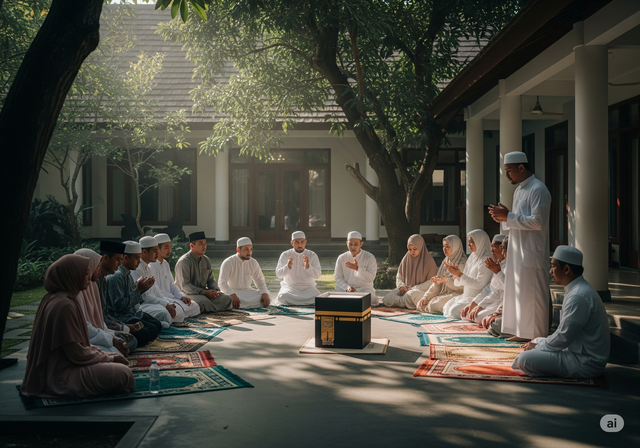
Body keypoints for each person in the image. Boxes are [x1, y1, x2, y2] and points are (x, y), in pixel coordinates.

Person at [21, 255, 134, 398]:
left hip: (64, 365)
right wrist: (108, 358)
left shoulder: (60, 299)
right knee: (124, 374)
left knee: (118, 363)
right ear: (72, 276)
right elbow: (76, 352)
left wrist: (107, 355)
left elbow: (79, 345)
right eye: (85, 273)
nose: (88, 277)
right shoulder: (64, 305)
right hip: (62, 374)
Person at [512, 246, 610, 378]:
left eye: (553, 266)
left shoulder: (578, 296)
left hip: (585, 362)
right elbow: (564, 335)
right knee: (537, 340)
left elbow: (563, 337)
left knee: (524, 359)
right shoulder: (578, 289)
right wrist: (538, 344)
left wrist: (536, 348)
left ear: (566, 269)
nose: (550, 271)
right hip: (577, 351)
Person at [489, 151, 551, 342]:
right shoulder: (519, 191)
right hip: (518, 252)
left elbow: (538, 222)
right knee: (521, 295)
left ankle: (537, 336)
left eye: (509, 171)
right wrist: (504, 218)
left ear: (521, 167)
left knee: (534, 296)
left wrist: (508, 216)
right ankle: (523, 333)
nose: (507, 175)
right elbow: (516, 221)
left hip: (532, 253)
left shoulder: (538, 189)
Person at [75, 248, 136, 356]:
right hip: (84, 340)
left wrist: (113, 334)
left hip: (102, 332)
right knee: (118, 351)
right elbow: (84, 328)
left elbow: (100, 316)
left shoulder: (94, 285)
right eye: (97, 266)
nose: (99, 269)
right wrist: (114, 337)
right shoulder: (75, 294)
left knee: (129, 341)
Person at [97, 241, 157, 346]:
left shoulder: (127, 274)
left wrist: (141, 290)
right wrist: (138, 290)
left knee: (156, 326)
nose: (139, 262)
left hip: (130, 314)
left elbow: (133, 301)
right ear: (126, 258)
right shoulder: (116, 276)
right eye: (137, 258)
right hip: (121, 317)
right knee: (145, 334)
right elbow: (118, 306)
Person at [174, 231, 233, 313]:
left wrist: (215, 291)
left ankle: (209, 310)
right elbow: (185, 286)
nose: (204, 246)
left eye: (205, 244)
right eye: (201, 244)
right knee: (203, 302)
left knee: (227, 299)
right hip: (187, 294)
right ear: (192, 245)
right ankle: (213, 310)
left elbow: (211, 280)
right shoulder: (184, 261)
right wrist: (204, 292)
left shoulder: (206, 260)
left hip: (204, 293)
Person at [442, 229, 493, 319]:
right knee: (446, 307)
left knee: (453, 311)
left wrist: (460, 275)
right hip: (466, 296)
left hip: (477, 298)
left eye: (472, 242)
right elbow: (460, 281)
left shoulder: (486, 260)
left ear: (480, 242)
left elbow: (480, 284)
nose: (469, 244)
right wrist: (456, 275)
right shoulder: (472, 258)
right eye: (468, 242)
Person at [151, 233, 200, 318]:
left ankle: (178, 315)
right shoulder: (151, 266)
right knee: (177, 309)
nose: (169, 250)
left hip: (171, 298)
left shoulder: (165, 264)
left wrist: (182, 297)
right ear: (157, 249)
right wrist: (168, 302)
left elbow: (172, 285)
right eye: (166, 248)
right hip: (162, 301)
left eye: (170, 247)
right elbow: (155, 292)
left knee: (194, 306)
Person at [461, 235, 507, 324]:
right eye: (491, 246)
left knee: (477, 317)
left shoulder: (509, 266)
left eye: (494, 246)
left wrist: (481, 305)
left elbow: (501, 291)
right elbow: (490, 287)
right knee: (466, 314)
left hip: (501, 303)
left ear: (502, 248)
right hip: (492, 301)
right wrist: (474, 302)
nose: (491, 250)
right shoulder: (497, 264)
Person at [383, 234, 438, 308]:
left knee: (412, 295)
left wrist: (413, 288)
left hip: (420, 291)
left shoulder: (429, 261)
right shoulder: (406, 258)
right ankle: (404, 302)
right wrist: (401, 287)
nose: (412, 252)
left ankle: (401, 302)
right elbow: (399, 277)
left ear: (421, 247)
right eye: (410, 249)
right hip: (406, 290)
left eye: (415, 249)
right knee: (388, 297)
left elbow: (431, 283)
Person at [416, 235, 467, 314]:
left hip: (457, 294)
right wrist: (426, 296)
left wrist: (446, 280)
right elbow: (438, 283)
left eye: (447, 246)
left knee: (434, 305)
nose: (444, 249)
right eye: (443, 246)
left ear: (455, 247)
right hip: (444, 293)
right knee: (420, 304)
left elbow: (461, 287)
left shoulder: (462, 264)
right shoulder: (446, 260)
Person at [219, 237, 271, 309]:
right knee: (225, 299)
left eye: (251, 249)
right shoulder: (228, 262)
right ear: (238, 250)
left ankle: (238, 305)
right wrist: (232, 294)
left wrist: (264, 292)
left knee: (266, 296)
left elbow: (259, 280)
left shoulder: (253, 262)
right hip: (232, 292)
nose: (249, 252)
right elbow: (222, 283)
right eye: (246, 249)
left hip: (248, 292)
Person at [275, 231, 322, 305]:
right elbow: (278, 274)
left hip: (308, 288)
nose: (300, 245)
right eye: (297, 242)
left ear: (305, 242)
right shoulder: (285, 255)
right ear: (292, 243)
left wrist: (308, 266)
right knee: (282, 296)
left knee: (318, 297)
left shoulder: (312, 255)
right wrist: (288, 266)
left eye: (302, 242)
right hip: (290, 288)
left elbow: (318, 275)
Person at [334, 231, 379, 306]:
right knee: (334, 296)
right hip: (347, 289)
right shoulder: (341, 258)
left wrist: (357, 269)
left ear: (361, 244)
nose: (353, 247)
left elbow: (371, 278)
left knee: (370, 298)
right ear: (347, 243)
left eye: (356, 244)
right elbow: (337, 277)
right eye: (350, 244)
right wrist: (347, 287)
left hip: (364, 289)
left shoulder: (369, 257)